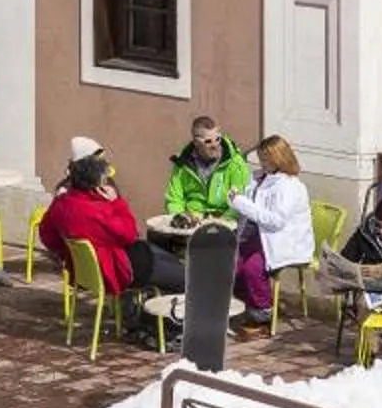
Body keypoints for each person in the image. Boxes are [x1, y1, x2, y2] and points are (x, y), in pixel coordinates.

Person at [40, 151, 183, 303]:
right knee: (186, 279)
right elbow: (130, 234)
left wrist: (67, 251)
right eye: (104, 181)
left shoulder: (61, 203)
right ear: (95, 186)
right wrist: (116, 202)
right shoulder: (97, 210)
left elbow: (46, 234)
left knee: (168, 259)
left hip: (86, 271)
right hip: (116, 269)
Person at [226, 135, 316, 337]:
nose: (262, 163)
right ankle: (252, 304)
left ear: (279, 159)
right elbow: (250, 207)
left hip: (284, 241)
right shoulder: (260, 178)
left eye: (266, 159)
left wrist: (242, 203)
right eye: (261, 159)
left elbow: (276, 221)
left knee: (252, 268)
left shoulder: (290, 187)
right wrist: (236, 199)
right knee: (232, 265)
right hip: (258, 236)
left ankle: (262, 314)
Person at [162, 115, 251, 222]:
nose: (215, 145)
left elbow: (240, 201)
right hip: (191, 222)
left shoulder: (235, 163)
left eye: (217, 139)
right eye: (208, 141)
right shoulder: (182, 164)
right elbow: (174, 199)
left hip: (225, 223)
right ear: (196, 143)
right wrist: (182, 218)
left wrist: (220, 223)